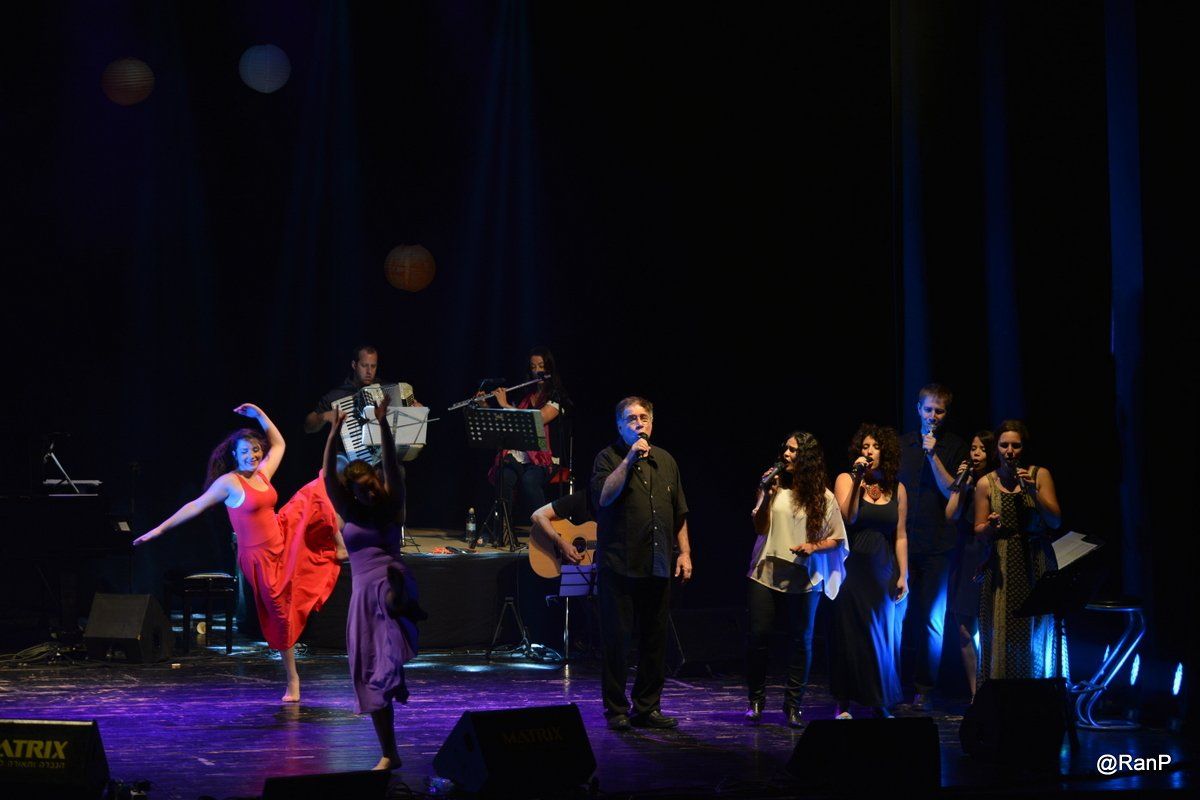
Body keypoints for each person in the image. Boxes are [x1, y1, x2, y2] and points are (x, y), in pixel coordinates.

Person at [134, 404, 340, 702]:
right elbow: (195, 505)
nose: (252, 456)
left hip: (282, 538)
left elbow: (279, 444)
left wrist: (259, 414)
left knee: (316, 495)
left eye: (256, 450)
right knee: (281, 613)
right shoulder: (229, 482)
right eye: (245, 451)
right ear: (234, 454)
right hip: (259, 558)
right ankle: (292, 679)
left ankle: (340, 544)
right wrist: (159, 530)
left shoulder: (262, 474)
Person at [322, 395, 424, 772]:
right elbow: (328, 477)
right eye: (362, 489)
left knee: (384, 656)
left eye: (372, 485)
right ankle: (389, 752)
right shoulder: (349, 508)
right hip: (364, 596)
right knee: (369, 674)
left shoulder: (392, 503)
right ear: (353, 492)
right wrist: (332, 433)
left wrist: (382, 425)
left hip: (391, 582)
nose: (370, 492)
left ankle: (400, 603)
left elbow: (392, 467)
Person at [590, 397, 692, 731]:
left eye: (644, 417)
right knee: (617, 641)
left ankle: (647, 707)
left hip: (658, 563)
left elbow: (679, 512)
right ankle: (616, 709)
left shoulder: (667, 461)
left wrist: (685, 553)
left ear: (652, 422)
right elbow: (604, 497)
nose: (638, 423)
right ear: (619, 425)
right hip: (619, 564)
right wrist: (629, 458)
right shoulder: (608, 457)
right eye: (631, 418)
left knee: (655, 640)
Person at [745, 432, 847, 727]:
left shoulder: (823, 497)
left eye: (793, 450)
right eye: (785, 449)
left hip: (803, 577)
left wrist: (813, 547)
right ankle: (756, 700)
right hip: (766, 572)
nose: (786, 454)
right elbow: (759, 527)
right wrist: (767, 494)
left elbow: (837, 539)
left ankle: (793, 705)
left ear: (807, 458)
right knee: (758, 636)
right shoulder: (773, 486)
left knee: (801, 641)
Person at [973, 420, 1062, 684]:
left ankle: (1038, 689)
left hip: (1035, 559)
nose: (1010, 451)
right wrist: (990, 526)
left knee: (1036, 627)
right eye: (1004, 445)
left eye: (1016, 445)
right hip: (1002, 562)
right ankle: (1002, 691)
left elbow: (1055, 521)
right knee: (1002, 627)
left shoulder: (1039, 475)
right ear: (996, 449)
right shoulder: (986, 483)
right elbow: (978, 529)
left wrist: (1033, 491)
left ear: (1024, 448)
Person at [896, 384, 968, 711]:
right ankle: (891, 685)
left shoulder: (954, 447)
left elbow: (951, 491)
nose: (933, 416)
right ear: (918, 409)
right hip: (902, 543)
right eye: (928, 409)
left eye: (939, 411)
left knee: (931, 620)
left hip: (938, 546)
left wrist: (933, 454)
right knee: (896, 617)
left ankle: (924, 689)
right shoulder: (903, 445)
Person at [829, 424, 908, 719]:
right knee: (849, 633)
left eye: (875, 446)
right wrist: (857, 479)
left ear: (884, 451)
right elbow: (848, 517)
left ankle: (879, 699)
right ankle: (843, 702)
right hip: (852, 565)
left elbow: (900, 535)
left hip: (883, 566)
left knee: (881, 635)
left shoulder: (897, 488)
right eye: (865, 446)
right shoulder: (846, 479)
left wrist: (904, 575)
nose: (870, 451)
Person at [483, 347, 570, 543]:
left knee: (529, 481)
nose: (537, 370)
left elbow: (538, 419)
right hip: (522, 456)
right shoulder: (524, 397)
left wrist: (505, 405)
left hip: (545, 460)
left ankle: (546, 533)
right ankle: (504, 531)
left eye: (541, 366)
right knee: (504, 475)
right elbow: (508, 423)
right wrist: (485, 406)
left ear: (549, 369)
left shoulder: (556, 397)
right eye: (533, 367)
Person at [944, 430, 997, 702]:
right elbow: (950, 514)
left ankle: (993, 689)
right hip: (964, 554)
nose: (975, 454)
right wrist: (960, 485)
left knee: (990, 628)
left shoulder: (995, 483)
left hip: (988, 553)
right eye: (973, 448)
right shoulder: (967, 481)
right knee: (963, 628)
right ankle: (976, 695)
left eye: (982, 449)